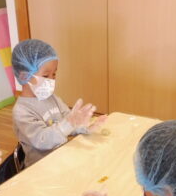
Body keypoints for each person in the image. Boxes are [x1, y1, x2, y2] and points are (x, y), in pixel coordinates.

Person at [11, 39, 106, 167]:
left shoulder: (52, 98)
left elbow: (68, 119)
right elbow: (41, 140)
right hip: (40, 168)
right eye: (46, 76)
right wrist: (68, 124)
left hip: (62, 158)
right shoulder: (22, 111)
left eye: (54, 74)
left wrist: (83, 127)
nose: (51, 80)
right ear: (24, 76)